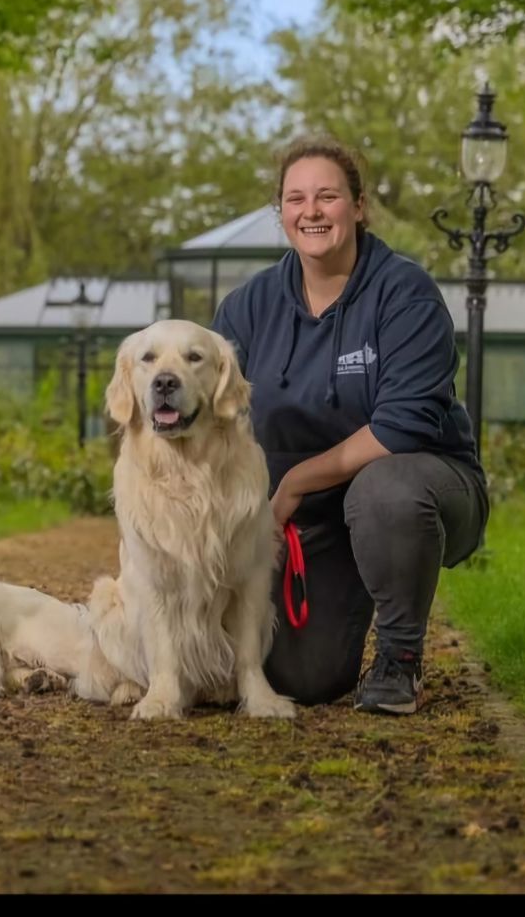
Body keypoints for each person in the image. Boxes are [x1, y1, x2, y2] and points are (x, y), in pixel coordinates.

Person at [210, 137, 490, 715]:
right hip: (310, 522)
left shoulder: (404, 294)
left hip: (420, 491)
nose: (311, 211)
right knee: (301, 680)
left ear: (358, 207)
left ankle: (400, 658)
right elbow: (216, 421)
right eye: (296, 198)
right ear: (282, 212)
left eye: (328, 196)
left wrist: (291, 486)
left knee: (385, 489)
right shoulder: (247, 307)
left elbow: (402, 428)